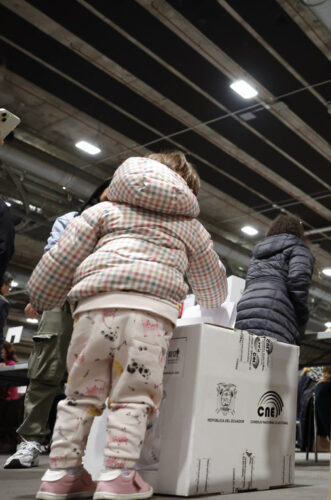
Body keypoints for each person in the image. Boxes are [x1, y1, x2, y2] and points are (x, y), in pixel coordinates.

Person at [26, 153, 227, 500]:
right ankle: (118, 477)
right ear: (185, 188)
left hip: (93, 309)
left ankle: (61, 475)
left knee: (78, 395)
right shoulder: (190, 225)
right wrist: (212, 299)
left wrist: (41, 297)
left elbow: (59, 260)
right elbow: (214, 287)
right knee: (133, 396)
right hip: (150, 315)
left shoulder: (102, 212)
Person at [4, 179, 110, 470]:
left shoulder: (124, 226)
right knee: (45, 371)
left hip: (101, 302)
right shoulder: (71, 220)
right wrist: (39, 296)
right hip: (62, 299)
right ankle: (30, 441)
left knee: (94, 376)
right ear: (99, 191)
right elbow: (53, 258)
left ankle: (82, 445)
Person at [234, 214, 315, 345]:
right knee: (275, 361)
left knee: (246, 358)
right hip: (276, 309)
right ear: (299, 233)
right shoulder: (299, 248)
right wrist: (302, 317)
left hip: (246, 307)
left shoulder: (258, 254)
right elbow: (299, 281)